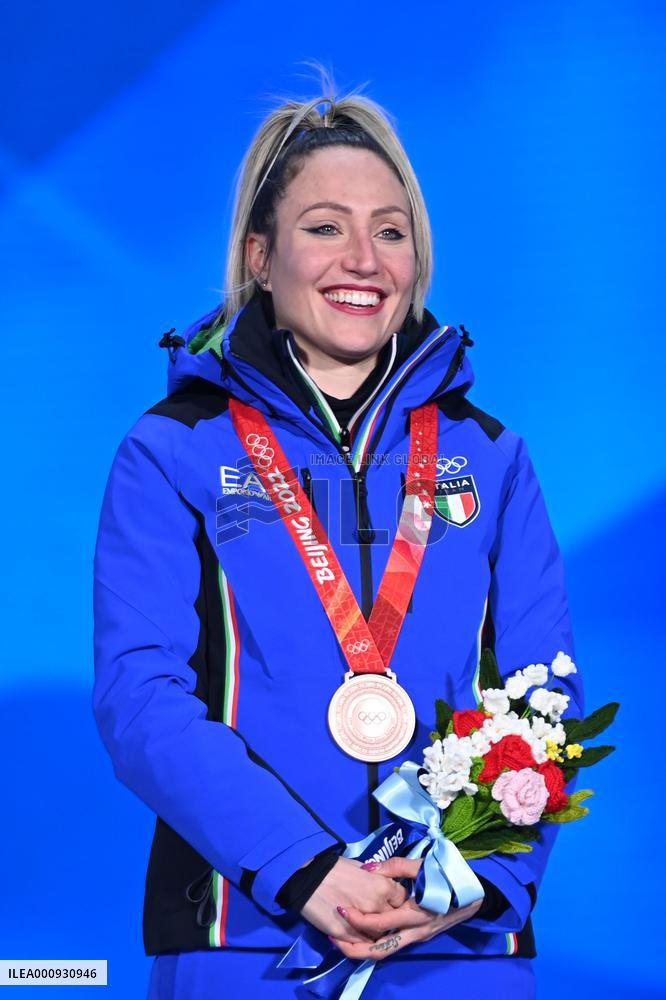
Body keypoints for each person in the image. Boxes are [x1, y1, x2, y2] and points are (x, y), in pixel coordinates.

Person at [92, 81, 583, 999]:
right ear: (259, 256)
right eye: (325, 227)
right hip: (246, 939)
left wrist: (476, 878)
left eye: (391, 232)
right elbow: (140, 698)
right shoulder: (175, 448)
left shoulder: (492, 457)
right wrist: (306, 869)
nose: (363, 258)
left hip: (456, 945)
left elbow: (544, 697)